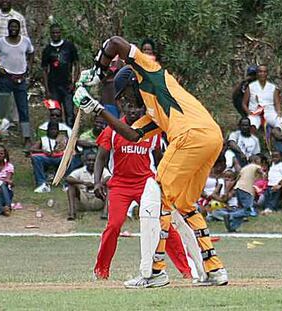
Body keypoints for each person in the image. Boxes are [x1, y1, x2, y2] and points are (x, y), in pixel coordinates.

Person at [73, 35, 228, 288]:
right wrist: (97, 109)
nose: (126, 103)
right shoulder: (153, 111)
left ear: (133, 83)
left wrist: (97, 72)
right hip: (210, 137)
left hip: (190, 136)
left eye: (125, 96)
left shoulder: (151, 74)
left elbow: (115, 43)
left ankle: (155, 272)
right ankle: (214, 269)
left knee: (158, 197)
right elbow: (132, 135)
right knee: (186, 204)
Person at [92, 102, 193, 280]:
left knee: (164, 224)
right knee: (114, 226)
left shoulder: (152, 131)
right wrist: (97, 182)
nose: (133, 110)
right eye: (129, 106)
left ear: (143, 110)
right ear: (123, 108)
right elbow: (101, 158)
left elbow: (160, 158)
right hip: (120, 185)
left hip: (146, 184)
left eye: (137, 107)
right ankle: (101, 271)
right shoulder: (112, 129)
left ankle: (186, 270)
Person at [0, 18, 34, 147]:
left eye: (16, 26)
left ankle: (26, 138)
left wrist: (29, 67)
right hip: (6, 78)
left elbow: (31, 53)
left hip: (20, 79)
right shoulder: (1, 42)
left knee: (23, 109)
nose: (13, 29)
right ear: (8, 28)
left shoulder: (25, 41)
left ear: (19, 28)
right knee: (1, 108)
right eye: (11, 26)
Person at [41, 23, 80, 127]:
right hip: (53, 87)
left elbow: (76, 65)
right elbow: (44, 70)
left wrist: (74, 82)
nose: (55, 35)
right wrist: (47, 89)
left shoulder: (69, 46)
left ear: (61, 33)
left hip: (67, 86)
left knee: (70, 114)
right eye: (53, 33)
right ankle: (57, 137)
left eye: (57, 32)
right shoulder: (47, 50)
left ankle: (71, 137)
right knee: (55, 113)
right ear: (50, 34)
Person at [65, 152, 110, 221]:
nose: (91, 162)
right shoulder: (80, 171)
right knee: (71, 187)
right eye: (89, 160)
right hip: (83, 199)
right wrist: (84, 183)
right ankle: (72, 213)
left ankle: (105, 213)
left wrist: (98, 184)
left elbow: (109, 177)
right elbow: (68, 178)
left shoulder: (102, 170)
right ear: (85, 161)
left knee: (110, 186)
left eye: (94, 160)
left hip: (98, 200)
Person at [29, 121, 67, 193]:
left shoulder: (62, 139)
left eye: (55, 129)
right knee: (35, 158)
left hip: (59, 158)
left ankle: (67, 184)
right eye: (51, 129)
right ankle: (42, 184)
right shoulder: (43, 139)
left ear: (58, 130)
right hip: (47, 158)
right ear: (48, 130)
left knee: (70, 158)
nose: (53, 131)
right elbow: (32, 149)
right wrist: (43, 151)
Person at [223, 160, 262, 232]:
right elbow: (260, 170)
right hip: (246, 190)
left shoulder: (244, 169)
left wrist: (229, 190)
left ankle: (232, 227)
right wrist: (264, 174)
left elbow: (236, 180)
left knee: (241, 210)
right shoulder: (255, 166)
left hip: (238, 188)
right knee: (247, 211)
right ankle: (231, 215)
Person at [262, 150, 282, 214]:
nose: (274, 158)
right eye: (273, 157)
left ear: (281, 158)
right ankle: (267, 207)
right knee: (267, 197)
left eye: (277, 157)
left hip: (276, 185)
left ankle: (271, 209)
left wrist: (279, 185)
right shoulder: (272, 165)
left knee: (274, 198)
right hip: (269, 185)